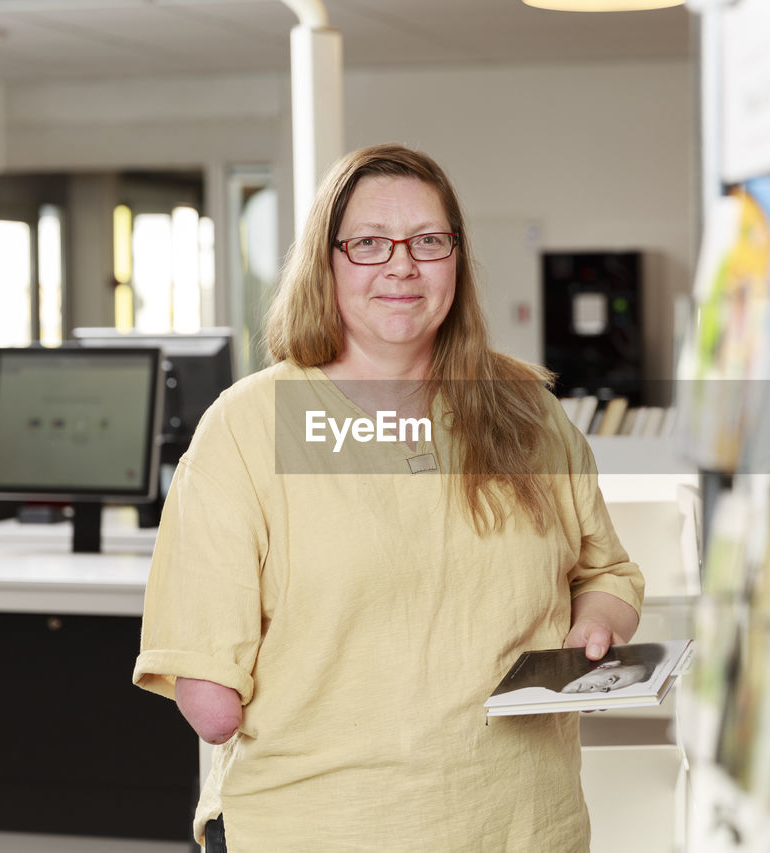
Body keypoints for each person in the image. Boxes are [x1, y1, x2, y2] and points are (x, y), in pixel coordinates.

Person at [132, 142, 644, 851]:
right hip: (322, 830)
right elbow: (209, 705)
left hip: (524, 827)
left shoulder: (526, 410)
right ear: (327, 261)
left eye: (428, 241)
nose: (401, 264)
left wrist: (597, 624)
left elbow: (606, 573)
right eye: (370, 243)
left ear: (458, 259)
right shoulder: (246, 428)